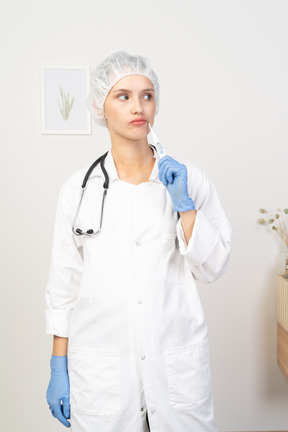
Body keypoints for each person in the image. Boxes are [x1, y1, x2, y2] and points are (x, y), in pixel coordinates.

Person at [45, 51, 232, 432]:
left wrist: (185, 206)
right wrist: (58, 365)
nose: (138, 107)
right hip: (103, 372)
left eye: (147, 95)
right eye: (123, 96)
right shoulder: (78, 190)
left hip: (174, 366)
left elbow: (213, 266)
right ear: (101, 107)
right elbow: (64, 286)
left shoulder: (188, 180)